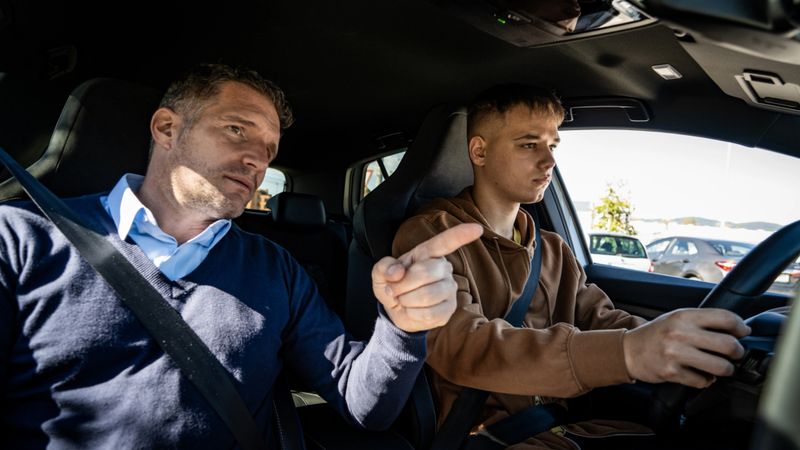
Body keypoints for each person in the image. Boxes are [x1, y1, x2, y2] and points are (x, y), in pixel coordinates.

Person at [0, 63, 483, 448]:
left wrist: (402, 329)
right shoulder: (21, 236)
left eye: (270, 149)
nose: (257, 158)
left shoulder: (277, 270)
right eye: (236, 129)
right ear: (167, 128)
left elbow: (364, 407)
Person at [392, 84, 751, 449]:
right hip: (488, 436)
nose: (549, 161)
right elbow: (463, 347)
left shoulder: (553, 249)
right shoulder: (430, 235)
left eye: (553, 146)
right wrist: (626, 353)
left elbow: (601, 317)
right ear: (479, 151)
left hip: (564, 426)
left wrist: (679, 343)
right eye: (529, 144)